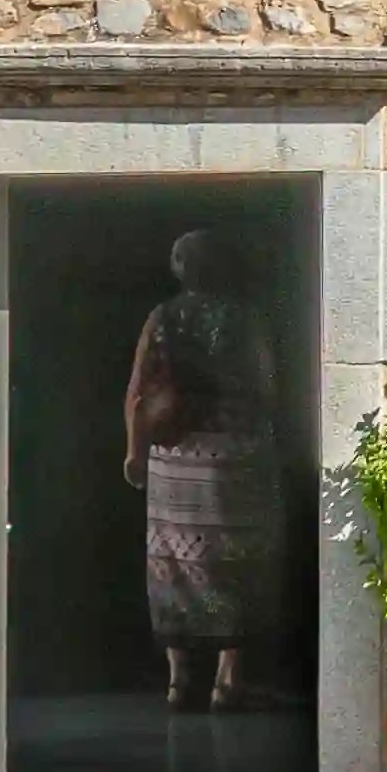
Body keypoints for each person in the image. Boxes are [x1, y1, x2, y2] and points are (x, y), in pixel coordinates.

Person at [123, 229, 283, 710]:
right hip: (236, 454)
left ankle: (177, 680)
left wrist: (134, 450)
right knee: (235, 562)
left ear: (179, 267)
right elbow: (266, 383)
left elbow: (138, 389)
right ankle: (226, 678)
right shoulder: (245, 320)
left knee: (172, 563)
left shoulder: (163, 318)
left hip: (175, 457)